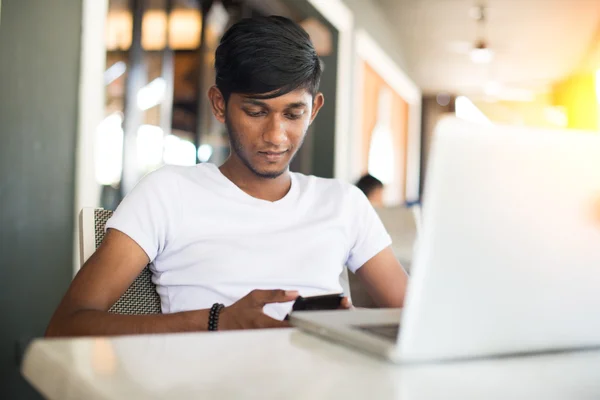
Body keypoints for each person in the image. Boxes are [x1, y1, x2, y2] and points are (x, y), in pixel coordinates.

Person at [46, 16, 408, 337]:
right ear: (220, 104)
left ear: (314, 109)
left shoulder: (343, 203)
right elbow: (67, 326)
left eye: (293, 114)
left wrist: (351, 325)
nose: (276, 135)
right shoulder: (168, 193)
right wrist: (217, 321)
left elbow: (412, 316)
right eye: (255, 111)